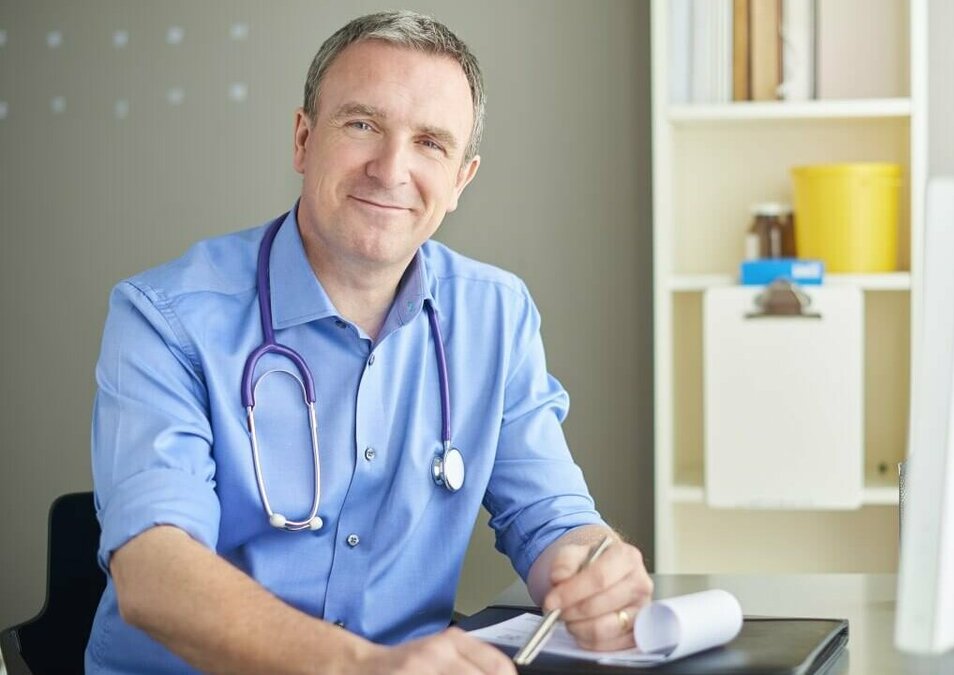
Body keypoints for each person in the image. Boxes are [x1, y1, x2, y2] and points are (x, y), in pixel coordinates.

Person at [87, 10, 652, 674]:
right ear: (303, 139)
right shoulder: (164, 317)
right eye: (363, 125)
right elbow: (154, 572)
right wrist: (360, 666)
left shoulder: (494, 316)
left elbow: (551, 518)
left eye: (431, 144)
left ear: (461, 180)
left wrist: (588, 566)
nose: (391, 169)